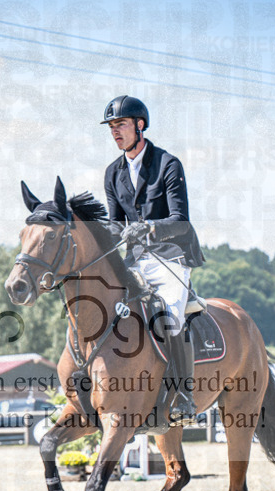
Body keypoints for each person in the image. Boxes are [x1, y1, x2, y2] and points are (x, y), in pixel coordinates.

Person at [101, 95, 204, 425]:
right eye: (112, 127)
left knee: (170, 317)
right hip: (136, 260)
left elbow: (180, 220)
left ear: (140, 125)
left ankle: (184, 395)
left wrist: (146, 229)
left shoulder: (167, 164)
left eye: (121, 125)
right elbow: (117, 225)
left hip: (171, 256)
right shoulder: (112, 173)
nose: (115, 132)